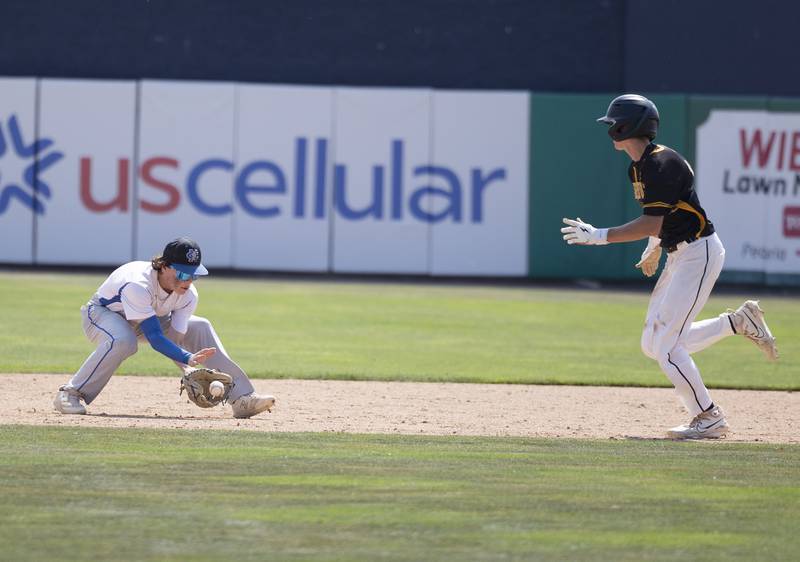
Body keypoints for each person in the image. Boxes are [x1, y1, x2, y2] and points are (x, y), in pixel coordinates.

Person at [560, 94, 778, 440]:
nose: (610, 129)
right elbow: (663, 219)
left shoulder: (660, 164)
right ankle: (736, 323)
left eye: (613, 123)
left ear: (626, 127)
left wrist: (599, 236)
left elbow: (651, 221)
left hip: (698, 253)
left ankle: (708, 416)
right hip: (681, 253)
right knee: (654, 343)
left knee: (667, 347)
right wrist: (655, 248)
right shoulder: (640, 165)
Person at [53, 236, 276, 419]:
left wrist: (188, 370)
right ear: (163, 266)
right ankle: (70, 393)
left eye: (193, 274)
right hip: (102, 315)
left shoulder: (188, 296)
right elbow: (156, 338)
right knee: (123, 341)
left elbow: (174, 339)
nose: (187, 280)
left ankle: (242, 398)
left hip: (144, 319)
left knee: (200, 326)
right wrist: (188, 359)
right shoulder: (138, 285)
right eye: (181, 273)